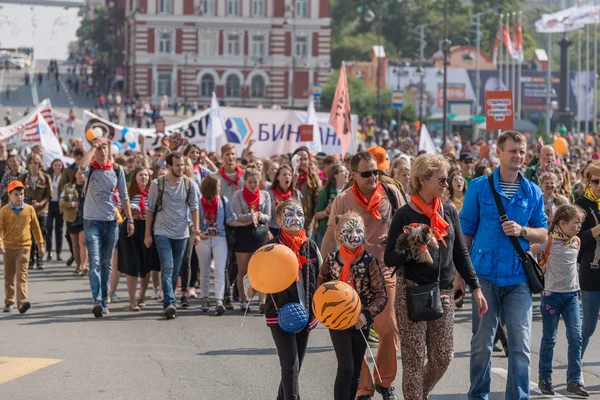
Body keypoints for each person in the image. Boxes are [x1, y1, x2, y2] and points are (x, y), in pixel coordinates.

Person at [384, 154, 487, 400]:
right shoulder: (404, 214)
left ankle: (419, 393)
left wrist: (475, 287)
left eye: (447, 179)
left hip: (443, 292)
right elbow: (389, 258)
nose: (446, 184)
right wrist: (414, 248)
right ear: (421, 180)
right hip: (412, 290)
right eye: (441, 179)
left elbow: (460, 252)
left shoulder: (449, 212)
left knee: (443, 356)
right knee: (414, 357)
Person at [461, 130, 548, 400]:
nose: (518, 156)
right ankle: (478, 395)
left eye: (521, 151)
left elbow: (544, 234)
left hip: (518, 279)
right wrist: (460, 276)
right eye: (512, 151)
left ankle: (518, 397)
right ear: (498, 153)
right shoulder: (478, 186)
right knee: (482, 345)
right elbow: (465, 232)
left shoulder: (532, 191)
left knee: (521, 346)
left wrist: (522, 230)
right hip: (484, 276)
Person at [321, 151, 405, 400]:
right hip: (352, 274)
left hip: (385, 270)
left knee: (388, 329)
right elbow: (329, 237)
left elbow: (409, 225)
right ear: (354, 175)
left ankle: (385, 381)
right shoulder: (344, 200)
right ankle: (364, 386)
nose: (373, 177)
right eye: (366, 173)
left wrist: (394, 239)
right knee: (355, 334)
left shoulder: (391, 193)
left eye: (376, 171)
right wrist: (326, 273)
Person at [248, 199, 321, 400]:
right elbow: (251, 276)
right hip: (279, 315)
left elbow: (323, 276)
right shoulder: (271, 248)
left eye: (299, 214)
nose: (296, 219)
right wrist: (252, 286)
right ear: (279, 220)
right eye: (290, 214)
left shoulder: (311, 247)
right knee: (290, 365)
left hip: (305, 315)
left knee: (294, 368)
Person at [318, 212, 388, 400]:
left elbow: (381, 295)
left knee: (356, 369)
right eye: (349, 230)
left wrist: (366, 314)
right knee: (346, 367)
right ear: (339, 234)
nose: (354, 234)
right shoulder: (331, 260)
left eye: (359, 230)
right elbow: (320, 288)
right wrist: (326, 311)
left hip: (360, 322)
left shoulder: (369, 261)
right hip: (337, 321)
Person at [530, 204, 589, 397]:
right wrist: (538, 268)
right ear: (562, 223)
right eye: (575, 223)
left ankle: (574, 381)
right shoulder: (548, 241)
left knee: (575, 337)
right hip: (551, 296)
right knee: (550, 338)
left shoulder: (576, 241)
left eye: (580, 223)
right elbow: (528, 252)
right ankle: (545, 379)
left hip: (572, 296)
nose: (578, 226)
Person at [80, 137, 134, 318]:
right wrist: (92, 146)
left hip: (111, 222)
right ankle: (97, 299)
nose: (103, 151)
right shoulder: (92, 168)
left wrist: (131, 219)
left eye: (105, 148)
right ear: (95, 151)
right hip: (92, 221)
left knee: (106, 263)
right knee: (95, 261)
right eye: (99, 148)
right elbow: (81, 167)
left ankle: (104, 299)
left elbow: (125, 196)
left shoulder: (117, 170)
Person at [145, 152, 200, 320]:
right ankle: (169, 302)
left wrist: (196, 230)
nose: (181, 168)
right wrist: (148, 233)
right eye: (177, 165)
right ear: (169, 166)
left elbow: (194, 207)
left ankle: (170, 298)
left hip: (182, 233)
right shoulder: (157, 184)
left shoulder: (189, 184)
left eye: (183, 164)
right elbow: (150, 208)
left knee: (176, 270)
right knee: (167, 267)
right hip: (162, 231)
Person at [195, 175, 248, 315]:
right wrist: (198, 232)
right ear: (211, 187)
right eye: (218, 186)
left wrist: (244, 223)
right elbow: (192, 220)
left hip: (220, 238)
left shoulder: (223, 201)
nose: (220, 188)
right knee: (204, 270)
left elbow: (230, 220)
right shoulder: (199, 202)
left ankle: (219, 300)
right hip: (204, 238)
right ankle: (205, 298)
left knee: (219, 269)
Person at [117, 167, 160, 312]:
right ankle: (132, 301)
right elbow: (119, 213)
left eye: (146, 175)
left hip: (148, 230)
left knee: (146, 266)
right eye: (141, 175)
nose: (144, 177)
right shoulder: (128, 194)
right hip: (131, 230)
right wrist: (127, 213)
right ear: (135, 177)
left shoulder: (153, 194)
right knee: (132, 265)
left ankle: (141, 296)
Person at [232, 167, 271, 312]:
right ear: (245, 181)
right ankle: (243, 300)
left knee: (261, 270)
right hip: (243, 234)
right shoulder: (238, 195)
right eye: (250, 182)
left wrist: (260, 216)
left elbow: (269, 216)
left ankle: (262, 301)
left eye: (255, 182)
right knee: (243, 269)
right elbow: (237, 215)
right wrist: (250, 215)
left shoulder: (265, 195)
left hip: (259, 234)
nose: (253, 185)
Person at [1, 180, 44, 314]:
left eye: (21, 194)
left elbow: (36, 228)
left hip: (24, 247)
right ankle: (9, 301)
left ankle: (22, 302)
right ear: (9, 195)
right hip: (8, 247)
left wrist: (40, 245)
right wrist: (0, 243)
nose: (19, 197)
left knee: (22, 275)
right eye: (16, 194)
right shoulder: (4, 211)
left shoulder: (29, 209)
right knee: (9, 276)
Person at [574, 161, 600, 359]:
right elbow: (575, 238)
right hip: (591, 272)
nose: (599, 186)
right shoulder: (581, 204)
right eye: (596, 181)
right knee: (589, 326)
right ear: (588, 182)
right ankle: (574, 368)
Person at [20, 154, 51, 270]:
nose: (33, 166)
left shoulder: (45, 177)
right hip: (27, 210)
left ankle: (40, 257)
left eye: (36, 163)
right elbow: (19, 192)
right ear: (28, 165)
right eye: (31, 163)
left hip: (41, 209)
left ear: (39, 165)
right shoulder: (23, 177)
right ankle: (31, 258)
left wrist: (40, 203)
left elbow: (49, 195)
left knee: (41, 233)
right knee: (29, 234)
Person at [314, 164, 349, 248]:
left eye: (346, 171)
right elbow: (317, 214)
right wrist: (327, 211)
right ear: (335, 175)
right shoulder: (326, 192)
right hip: (326, 233)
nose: (346, 173)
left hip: (345, 234)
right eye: (342, 171)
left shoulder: (349, 192)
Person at [60, 169, 87, 275]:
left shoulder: (90, 186)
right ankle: (78, 265)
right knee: (75, 244)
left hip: (85, 219)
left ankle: (84, 266)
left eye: (83, 174)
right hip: (72, 218)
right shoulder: (68, 187)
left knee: (83, 243)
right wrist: (71, 204)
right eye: (79, 174)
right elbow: (61, 202)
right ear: (75, 175)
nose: (81, 176)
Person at [292, 147, 321, 235]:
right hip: (289, 220)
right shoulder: (287, 175)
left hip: (307, 222)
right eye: (300, 159)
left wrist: (316, 221)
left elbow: (318, 201)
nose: (303, 162)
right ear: (294, 160)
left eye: (305, 159)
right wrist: (293, 180)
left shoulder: (313, 178)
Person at [268, 165, 302, 237]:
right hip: (273, 230)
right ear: (278, 177)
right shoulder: (269, 193)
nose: (287, 177)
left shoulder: (296, 194)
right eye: (284, 174)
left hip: (291, 230)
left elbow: (300, 214)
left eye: (289, 175)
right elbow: (266, 214)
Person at [46, 159, 64, 261]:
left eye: (59, 165)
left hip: (59, 204)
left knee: (59, 229)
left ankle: (58, 252)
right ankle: (49, 251)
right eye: (55, 165)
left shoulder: (64, 177)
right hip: (49, 204)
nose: (57, 167)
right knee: (48, 228)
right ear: (52, 166)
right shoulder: (48, 176)